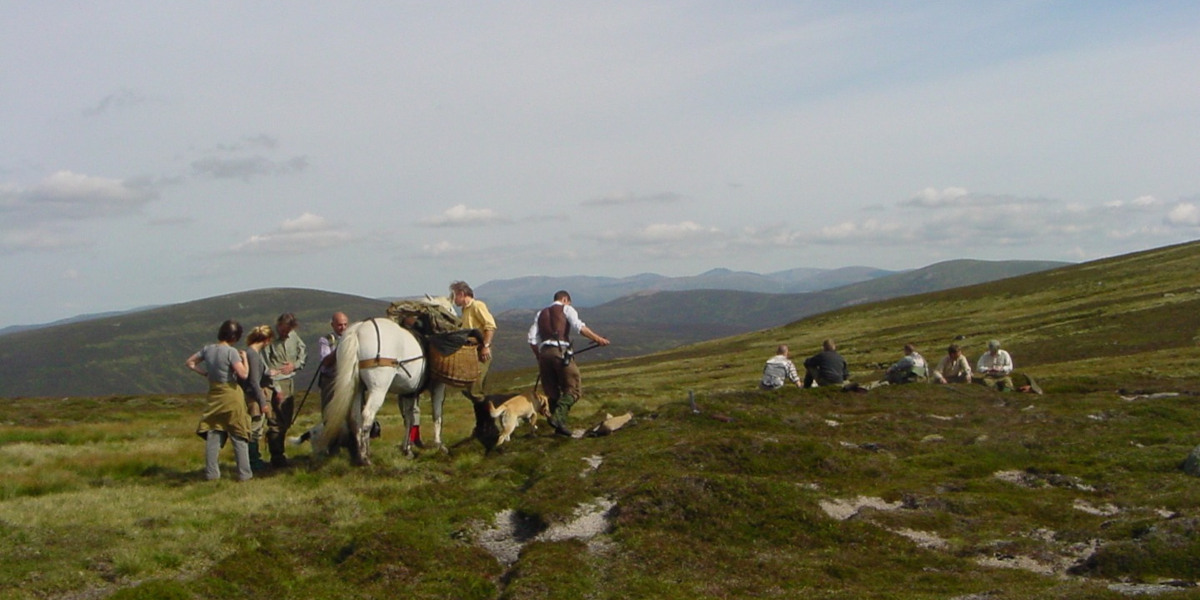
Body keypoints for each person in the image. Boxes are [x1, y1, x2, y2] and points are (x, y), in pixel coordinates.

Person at [527, 290, 610, 436]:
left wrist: (539, 357)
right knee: (573, 389)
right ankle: (558, 417)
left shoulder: (540, 313)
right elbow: (579, 327)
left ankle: (560, 428)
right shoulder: (567, 309)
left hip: (544, 354)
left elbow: (531, 339)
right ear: (565, 299)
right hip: (560, 352)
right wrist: (598, 339)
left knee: (552, 392)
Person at [185, 320, 252, 481]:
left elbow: (190, 363)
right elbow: (243, 374)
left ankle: (212, 474)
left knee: (213, 433)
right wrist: (245, 360)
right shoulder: (232, 352)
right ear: (234, 336)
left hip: (214, 394)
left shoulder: (208, 349)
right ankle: (244, 474)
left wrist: (205, 374)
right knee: (238, 435)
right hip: (231, 394)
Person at [262, 313, 306, 467]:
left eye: (288, 331)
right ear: (278, 325)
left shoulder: (293, 337)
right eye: (283, 330)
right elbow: (266, 365)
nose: (285, 334)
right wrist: (277, 389)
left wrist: (295, 364)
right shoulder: (270, 340)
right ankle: (277, 456)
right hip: (275, 384)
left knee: (286, 420)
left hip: (290, 381)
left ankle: (279, 453)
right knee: (275, 421)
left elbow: (302, 352)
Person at [241, 325, 274, 471]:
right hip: (254, 397)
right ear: (266, 340)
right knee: (255, 430)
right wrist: (262, 402)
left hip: (252, 394)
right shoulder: (253, 354)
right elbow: (254, 381)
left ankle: (253, 460)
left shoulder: (250, 352)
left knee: (255, 430)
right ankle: (253, 461)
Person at [317, 312, 350, 411]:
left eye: (345, 324)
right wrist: (340, 349)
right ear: (333, 325)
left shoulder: (352, 338)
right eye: (340, 325)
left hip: (347, 379)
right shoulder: (326, 340)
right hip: (330, 379)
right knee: (329, 408)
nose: (343, 327)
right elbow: (325, 361)